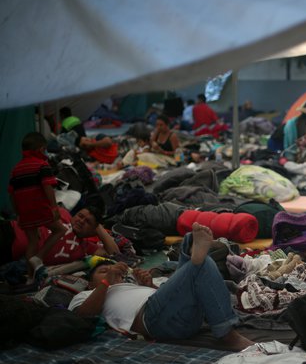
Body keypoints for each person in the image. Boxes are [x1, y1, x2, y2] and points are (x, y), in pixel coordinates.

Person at [69, 223, 254, 351]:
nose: (110, 271)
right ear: (91, 282)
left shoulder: (128, 285)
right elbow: (83, 316)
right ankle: (227, 334)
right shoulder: (85, 295)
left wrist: (148, 286)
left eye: (110, 269)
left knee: (190, 243)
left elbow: (174, 295)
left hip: (182, 317)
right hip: (152, 320)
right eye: (103, 271)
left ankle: (193, 253)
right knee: (201, 264)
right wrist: (106, 282)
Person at [8, 133, 67, 280]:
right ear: (41, 149)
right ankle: (39, 258)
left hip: (25, 212)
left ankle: (30, 278)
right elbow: (48, 187)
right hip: (40, 209)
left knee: (32, 242)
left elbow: (12, 194)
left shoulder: (15, 169)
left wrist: (18, 214)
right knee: (60, 229)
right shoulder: (42, 165)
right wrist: (54, 207)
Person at [0, 206, 119, 269]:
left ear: (94, 231)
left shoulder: (85, 248)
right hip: (9, 229)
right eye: (80, 216)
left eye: (87, 221)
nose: (81, 221)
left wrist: (99, 227)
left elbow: (114, 253)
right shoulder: (63, 214)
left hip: (11, 252)